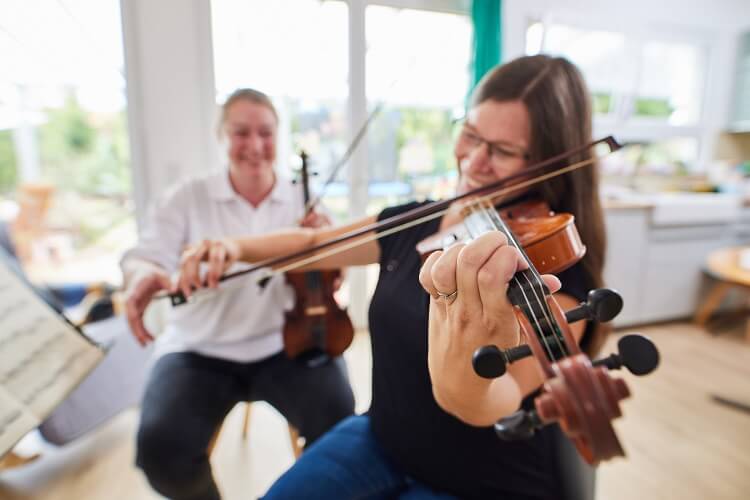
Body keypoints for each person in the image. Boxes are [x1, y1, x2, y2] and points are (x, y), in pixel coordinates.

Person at [175, 55, 607, 499]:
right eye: (471, 135)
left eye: (501, 151)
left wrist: (461, 364)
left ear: (546, 162)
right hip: (383, 439)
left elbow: (496, 399)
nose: (474, 160)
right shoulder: (413, 221)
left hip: (482, 478)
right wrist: (233, 249)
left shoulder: (556, 269)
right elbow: (312, 246)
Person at [121, 88, 355, 500]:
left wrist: (322, 245)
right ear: (221, 136)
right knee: (161, 449)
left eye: (265, 133)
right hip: (199, 349)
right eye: (240, 133)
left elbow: (336, 278)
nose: (255, 146)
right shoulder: (188, 198)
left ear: (278, 136)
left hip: (288, 344)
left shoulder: (303, 204)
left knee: (340, 427)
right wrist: (146, 273)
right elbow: (143, 257)